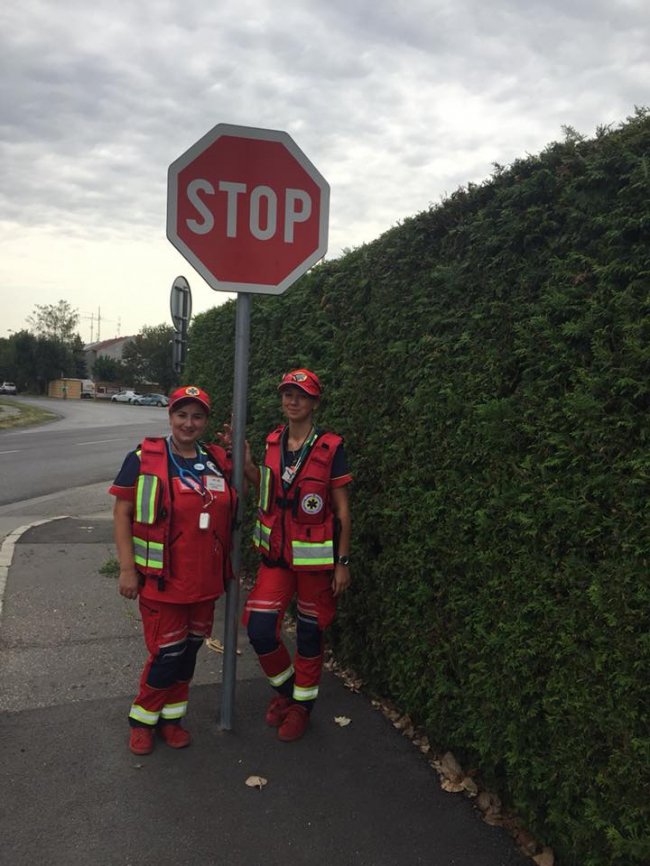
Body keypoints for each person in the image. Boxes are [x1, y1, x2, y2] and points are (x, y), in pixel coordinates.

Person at [109, 385, 236, 756]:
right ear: (170, 416)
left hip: (205, 581)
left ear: (206, 422)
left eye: (197, 416)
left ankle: (172, 719)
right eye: (182, 415)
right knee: (167, 653)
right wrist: (126, 568)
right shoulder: (143, 458)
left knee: (189, 651)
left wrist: (240, 455)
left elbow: (249, 485)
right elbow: (121, 513)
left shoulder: (216, 460)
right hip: (162, 580)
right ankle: (142, 720)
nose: (188, 423)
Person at [242, 368, 352, 742]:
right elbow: (270, 490)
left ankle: (302, 709)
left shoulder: (331, 448)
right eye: (288, 394)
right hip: (277, 558)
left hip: (314, 565)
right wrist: (248, 468)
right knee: (259, 629)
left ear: (314, 403)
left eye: (301, 396)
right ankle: (287, 693)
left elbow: (343, 511)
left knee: (308, 634)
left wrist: (343, 563)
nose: (293, 401)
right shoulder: (273, 442)